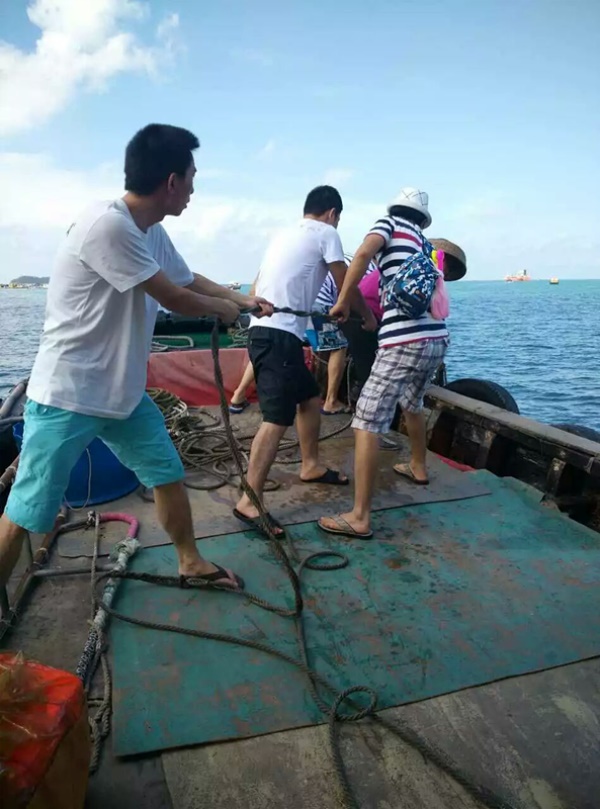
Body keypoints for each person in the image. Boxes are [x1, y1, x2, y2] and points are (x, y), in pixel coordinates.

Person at [0, 123, 272, 592]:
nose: (193, 189)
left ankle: (190, 562)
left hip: (122, 394)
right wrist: (225, 310)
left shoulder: (151, 230)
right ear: (171, 182)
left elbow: (187, 280)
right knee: (27, 510)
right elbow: (177, 299)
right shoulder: (107, 225)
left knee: (167, 473)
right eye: (191, 177)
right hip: (70, 394)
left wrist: (244, 300)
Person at [233, 186, 376, 536]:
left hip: (270, 332)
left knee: (309, 398)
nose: (337, 224)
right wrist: (366, 316)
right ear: (332, 213)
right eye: (338, 219)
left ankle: (310, 465)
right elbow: (346, 281)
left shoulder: (285, 234)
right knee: (276, 418)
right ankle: (249, 501)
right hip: (277, 335)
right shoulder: (326, 232)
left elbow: (255, 286)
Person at [319, 187, 448, 539]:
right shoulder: (427, 245)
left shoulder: (389, 223)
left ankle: (359, 516)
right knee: (412, 402)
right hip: (436, 339)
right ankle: (418, 467)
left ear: (396, 209)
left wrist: (343, 301)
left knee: (366, 420)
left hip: (403, 341)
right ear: (422, 217)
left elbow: (360, 255)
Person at [306, 272, 351, 415]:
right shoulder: (369, 270)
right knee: (339, 347)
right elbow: (351, 293)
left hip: (304, 303)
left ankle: (240, 393)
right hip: (322, 304)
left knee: (320, 346)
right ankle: (330, 401)